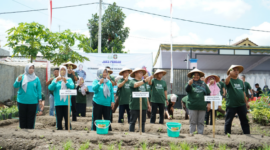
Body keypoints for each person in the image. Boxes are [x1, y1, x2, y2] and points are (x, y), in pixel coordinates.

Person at [13, 63, 42, 129]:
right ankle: (23, 131)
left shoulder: (36, 78)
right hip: (22, 100)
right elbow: (15, 86)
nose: (31, 70)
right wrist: (18, 80)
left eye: (33, 68)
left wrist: (40, 100)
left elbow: (39, 90)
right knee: (22, 116)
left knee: (31, 117)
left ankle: (30, 131)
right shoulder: (21, 76)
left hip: (33, 101)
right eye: (30, 68)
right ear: (26, 68)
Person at [224, 65, 250, 134]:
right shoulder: (229, 80)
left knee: (244, 120)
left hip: (241, 104)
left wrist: (246, 102)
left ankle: (247, 134)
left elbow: (243, 92)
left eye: (237, 70)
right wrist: (229, 76)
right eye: (234, 70)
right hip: (231, 105)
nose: (236, 72)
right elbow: (226, 82)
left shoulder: (241, 81)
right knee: (228, 121)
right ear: (230, 72)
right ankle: (227, 135)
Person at [185, 68, 211, 135]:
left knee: (201, 122)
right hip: (192, 106)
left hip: (202, 106)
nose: (196, 76)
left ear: (199, 76)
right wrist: (189, 84)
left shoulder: (203, 84)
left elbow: (208, 93)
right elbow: (187, 90)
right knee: (192, 122)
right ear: (192, 76)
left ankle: (200, 135)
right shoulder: (189, 83)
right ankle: (192, 134)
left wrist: (209, 103)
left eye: (197, 75)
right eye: (194, 75)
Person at [48, 66, 74, 130]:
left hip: (67, 103)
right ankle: (59, 130)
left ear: (66, 71)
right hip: (58, 102)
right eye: (61, 70)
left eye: (64, 70)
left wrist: (66, 82)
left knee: (67, 118)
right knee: (59, 118)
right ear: (59, 71)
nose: (63, 71)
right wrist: (56, 81)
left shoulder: (69, 79)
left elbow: (72, 87)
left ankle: (68, 130)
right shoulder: (56, 79)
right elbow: (50, 88)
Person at [129, 68, 151, 132]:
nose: (141, 74)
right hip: (134, 105)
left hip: (143, 106)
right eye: (140, 72)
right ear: (135, 73)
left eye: (142, 73)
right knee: (133, 121)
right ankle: (131, 135)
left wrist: (148, 104)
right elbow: (135, 85)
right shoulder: (132, 81)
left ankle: (142, 135)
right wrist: (144, 81)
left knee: (143, 122)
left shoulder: (144, 83)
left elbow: (145, 94)